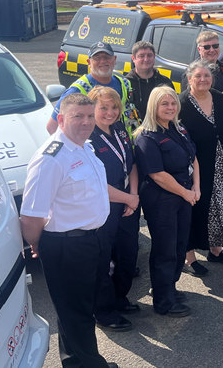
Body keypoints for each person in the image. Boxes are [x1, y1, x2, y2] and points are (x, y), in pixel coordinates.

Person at [20, 93, 119, 368]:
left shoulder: (84, 146)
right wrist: (41, 246)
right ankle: (92, 365)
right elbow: (30, 217)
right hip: (67, 245)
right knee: (78, 314)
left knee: (77, 309)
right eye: (78, 116)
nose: (86, 122)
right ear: (61, 119)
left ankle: (75, 362)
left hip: (92, 240)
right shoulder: (50, 158)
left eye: (90, 115)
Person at [134, 87, 199, 317]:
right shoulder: (146, 136)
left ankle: (168, 287)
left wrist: (196, 187)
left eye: (173, 103)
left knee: (180, 246)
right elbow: (157, 175)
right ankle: (164, 302)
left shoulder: (178, 128)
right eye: (164, 104)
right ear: (154, 106)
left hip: (184, 195)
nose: (170, 107)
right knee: (165, 250)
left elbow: (194, 157)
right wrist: (185, 192)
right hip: (162, 199)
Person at [87, 86, 140, 333]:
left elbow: (132, 164)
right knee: (103, 259)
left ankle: (120, 298)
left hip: (127, 198)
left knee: (127, 253)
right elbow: (96, 182)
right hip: (104, 203)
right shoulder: (89, 139)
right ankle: (104, 311)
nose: (110, 112)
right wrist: (127, 199)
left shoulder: (119, 129)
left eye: (114, 107)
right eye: (103, 108)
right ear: (93, 109)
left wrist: (133, 196)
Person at [181, 61, 223, 272]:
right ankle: (190, 258)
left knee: (219, 208)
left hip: (220, 163)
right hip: (195, 166)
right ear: (189, 79)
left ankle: (216, 251)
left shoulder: (218, 97)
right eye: (197, 76)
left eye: (206, 76)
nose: (203, 80)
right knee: (195, 210)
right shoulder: (182, 103)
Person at [47, 42, 136, 137]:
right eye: (97, 58)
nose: (103, 61)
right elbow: (52, 127)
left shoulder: (124, 83)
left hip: (124, 146)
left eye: (107, 57)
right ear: (89, 62)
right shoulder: (78, 90)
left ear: (114, 60)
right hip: (95, 149)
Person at [126, 40, 173, 121]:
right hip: (135, 131)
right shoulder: (126, 84)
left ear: (154, 56)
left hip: (161, 131)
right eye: (141, 56)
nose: (146, 59)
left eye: (149, 55)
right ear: (133, 58)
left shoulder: (165, 82)